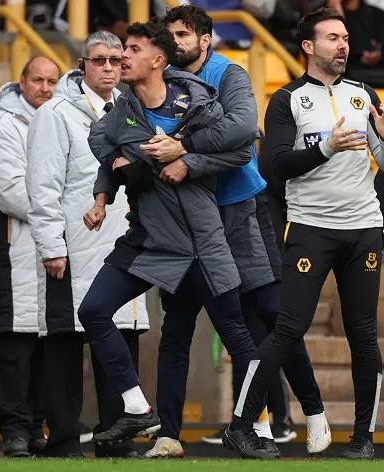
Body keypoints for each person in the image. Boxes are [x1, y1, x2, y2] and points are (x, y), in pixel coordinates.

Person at [137, 5, 329, 457]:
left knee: (271, 315)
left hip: (241, 209)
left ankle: (314, 413)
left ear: (206, 40)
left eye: (184, 34)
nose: (175, 42)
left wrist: (185, 152)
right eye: (170, 35)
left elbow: (244, 134)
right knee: (179, 327)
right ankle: (171, 433)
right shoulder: (155, 78)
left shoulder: (230, 73)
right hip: (185, 219)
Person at [81, 18, 257, 447]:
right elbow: (100, 141)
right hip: (149, 241)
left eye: (134, 50)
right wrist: (108, 184)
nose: (124, 56)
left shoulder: (196, 103)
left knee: (241, 340)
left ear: (158, 60)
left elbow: (242, 149)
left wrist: (188, 159)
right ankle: (139, 410)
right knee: (93, 312)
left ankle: (246, 427)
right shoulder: (121, 110)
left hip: (200, 245)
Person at [227, 8, 384, 460]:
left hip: (364, 229)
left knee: (364, 337)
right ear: (308, 46)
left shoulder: (364, 94)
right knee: (286, 329)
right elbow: (274, 167)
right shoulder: (287, 99)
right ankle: (241, 427)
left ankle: (362, 439)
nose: (343, 45)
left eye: (345, 38)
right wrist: (327, 146)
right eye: (333, 37)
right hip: (311, 228)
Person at [25, 31, 149, 458]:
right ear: (83, 65)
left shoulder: (133, 111)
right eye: (100, 60)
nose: (110, 68)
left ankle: (115, 438)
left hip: (125, 245)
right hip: (73, 246)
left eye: (117, 60)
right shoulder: (56, 113)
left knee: (120, 340)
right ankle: (60, 439)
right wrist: (51, 245)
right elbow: (41, 187)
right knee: (62, 342)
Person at [0, 56, 60, 457]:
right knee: (12, 344)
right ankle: (14, 430)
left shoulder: (63, 121)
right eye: (38, 80)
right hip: (16, 249)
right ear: (22, 82)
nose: (45, 88)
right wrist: (62, 209)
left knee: (48, 346)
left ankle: (38, 427)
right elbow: (10, 191)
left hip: (59, 247)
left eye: (52, 82)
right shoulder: (0, 127)